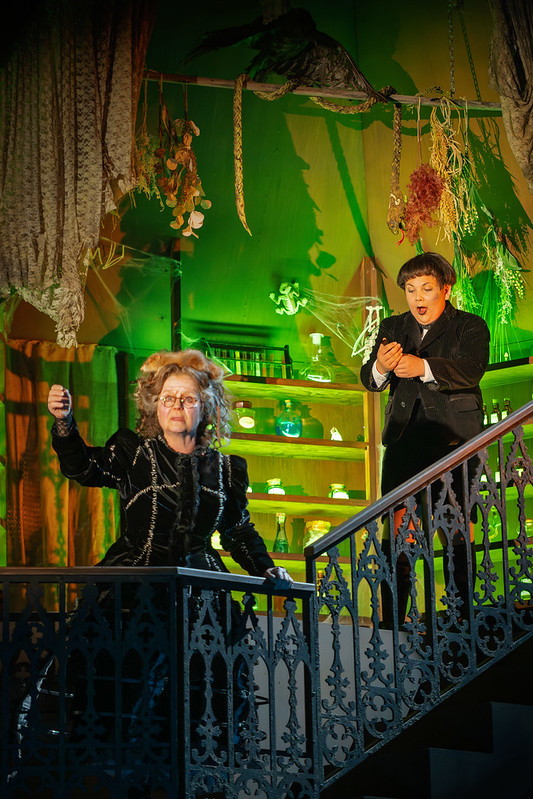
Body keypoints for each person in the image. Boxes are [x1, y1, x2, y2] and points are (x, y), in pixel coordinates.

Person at [44, 348, 293, 791]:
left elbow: (238, 531)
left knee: (200, 708)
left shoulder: (226, 469)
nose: (177, 406)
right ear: (154, 406)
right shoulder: (131, 452)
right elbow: (82, 467)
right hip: (132, 594)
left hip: (203, 601)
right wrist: (64, 424)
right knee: (120, 700)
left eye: (188, 398)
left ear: (206, 407)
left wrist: (269, 569)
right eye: (168, 398)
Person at [360, 252, 490, 627]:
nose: (418, 297)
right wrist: (381, 366)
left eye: (427, 289)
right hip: (405, 443)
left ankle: (460, 619)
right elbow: (369, 379)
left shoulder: (469, 326)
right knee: (399, 533)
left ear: (445, 290)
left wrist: (424, 367)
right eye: (411, 289)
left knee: (456, 531)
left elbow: (471, 370)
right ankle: (393, 622)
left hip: (455, 443)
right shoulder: (393, 326)